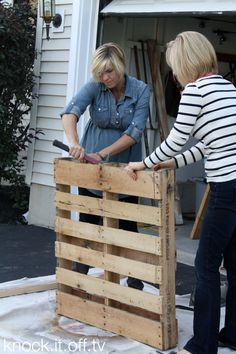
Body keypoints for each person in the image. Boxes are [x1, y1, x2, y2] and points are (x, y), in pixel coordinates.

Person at [126, 31, 236, 353]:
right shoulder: (228, 88)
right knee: (234, 262)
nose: (174, 74)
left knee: (205, 266)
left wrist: (144, 164)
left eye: (175, 65)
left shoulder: (195, 91)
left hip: (226, 188)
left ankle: (203, 345)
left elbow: (177, 138)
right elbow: (207, 145)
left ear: (184, 63)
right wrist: (171, 163)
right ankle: (231, 335)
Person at [61, 42, 150, 290]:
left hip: (126, 171)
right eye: (100, 72)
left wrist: (103, 153)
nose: (105, 77)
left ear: (121, 67)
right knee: (89, 221)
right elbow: (70, 114)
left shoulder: (141, 90)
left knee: (127, 226)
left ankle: (134, 284)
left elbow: (135, 132)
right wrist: (75, 142)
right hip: (92, 171)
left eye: (109, 71)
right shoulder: (95, 86)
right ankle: (79, 281)